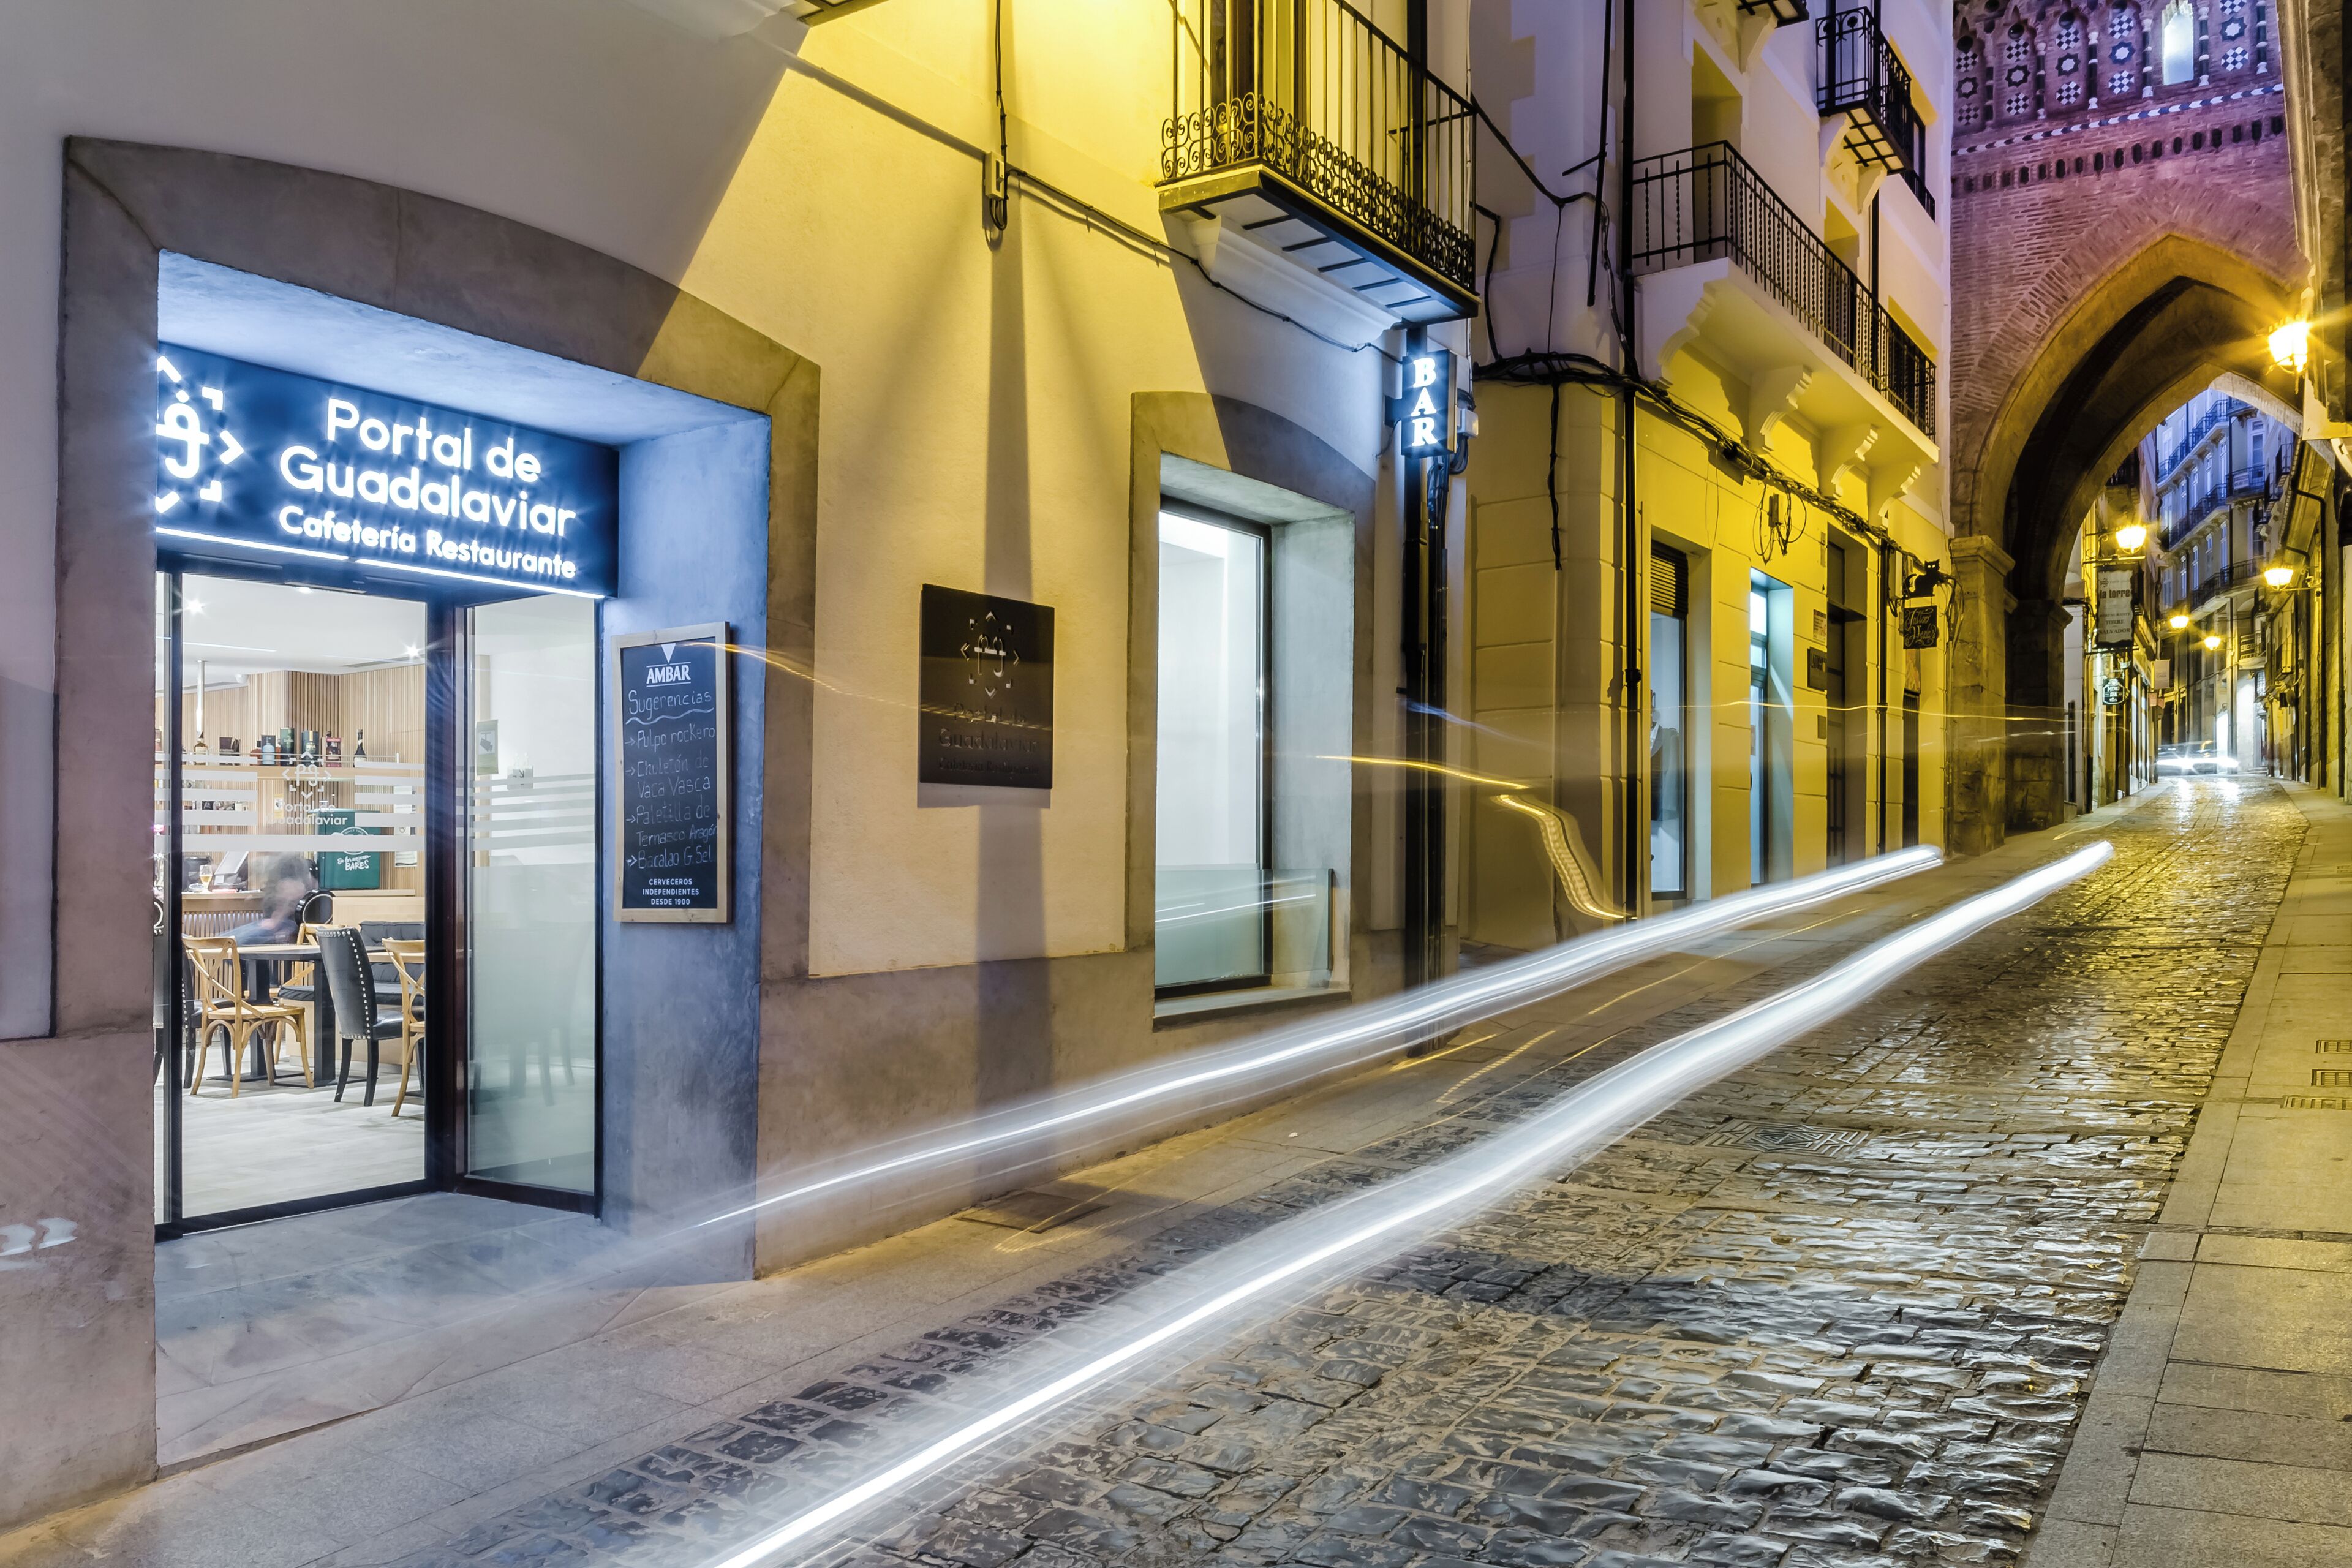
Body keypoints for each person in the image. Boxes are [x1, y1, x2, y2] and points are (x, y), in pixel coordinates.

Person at [221, 853, 315, 946]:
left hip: (287, 925)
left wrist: (276, 922)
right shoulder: (290, 880)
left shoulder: (295, 885)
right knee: (224, 940)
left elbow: (288, 908)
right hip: (274, 922)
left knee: (236, 941)